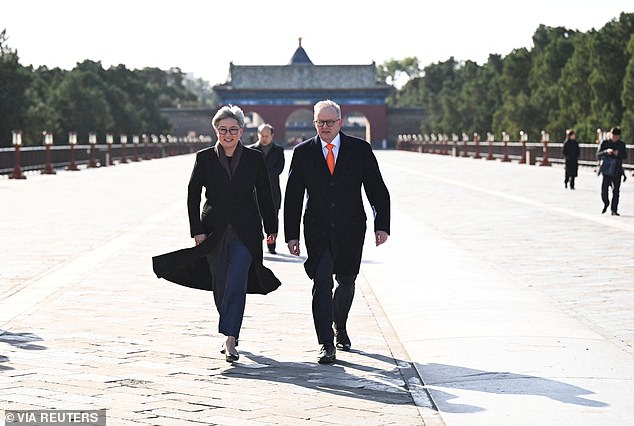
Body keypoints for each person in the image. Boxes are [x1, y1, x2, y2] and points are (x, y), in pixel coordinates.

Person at [284, 100, 391, 364]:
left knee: (346, 282)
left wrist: (382, 224)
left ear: (340, 123)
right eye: (320, 122)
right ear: (314, 123)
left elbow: (377, 189)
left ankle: (339, 325)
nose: (325, 127)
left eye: (329, 122)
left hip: (350, 228)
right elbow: (293, 196)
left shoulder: (360, 150)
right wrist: (291, 234)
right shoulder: (303, 152)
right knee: (321, 284)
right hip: (317, 230)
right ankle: (325, 343)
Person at [188, 105, 278, 362]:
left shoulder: (253, 158)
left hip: (245, 231)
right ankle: (230, 325)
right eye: (223, 130)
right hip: (213, 231)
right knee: (220, 283)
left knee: (237, 282)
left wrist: (271, 228)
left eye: (234, 130)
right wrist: (196, 230)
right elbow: (193, 195)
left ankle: (230, 338)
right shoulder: (204, 158)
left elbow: (264, 194)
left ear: (241, 131)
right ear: (216, 130)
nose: (228, 134)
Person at [248, 124, 285, 254]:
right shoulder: (251, 150)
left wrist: (262, 176)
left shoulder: (279, 151)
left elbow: (279, 169)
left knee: (272, 219)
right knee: (255, 221)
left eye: (266, 136)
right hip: (254, 193)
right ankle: (256, 244)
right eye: (261, 136)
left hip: (272, 192)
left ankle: (271, 245)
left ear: (272, 136)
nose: (264, 139)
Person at [597, 126, 627, 216]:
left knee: (616, 191)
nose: (615, 138)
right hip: (606, 170)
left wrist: (618, 154)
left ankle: (614, 210)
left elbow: (625, 156)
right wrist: (606, 152)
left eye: (616, 137)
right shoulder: (605, 143)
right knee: (604, 190)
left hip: (617, 170)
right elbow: (598, 155)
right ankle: (606, 202)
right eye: (613, 136)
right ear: (610, 134)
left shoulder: (621, 144)